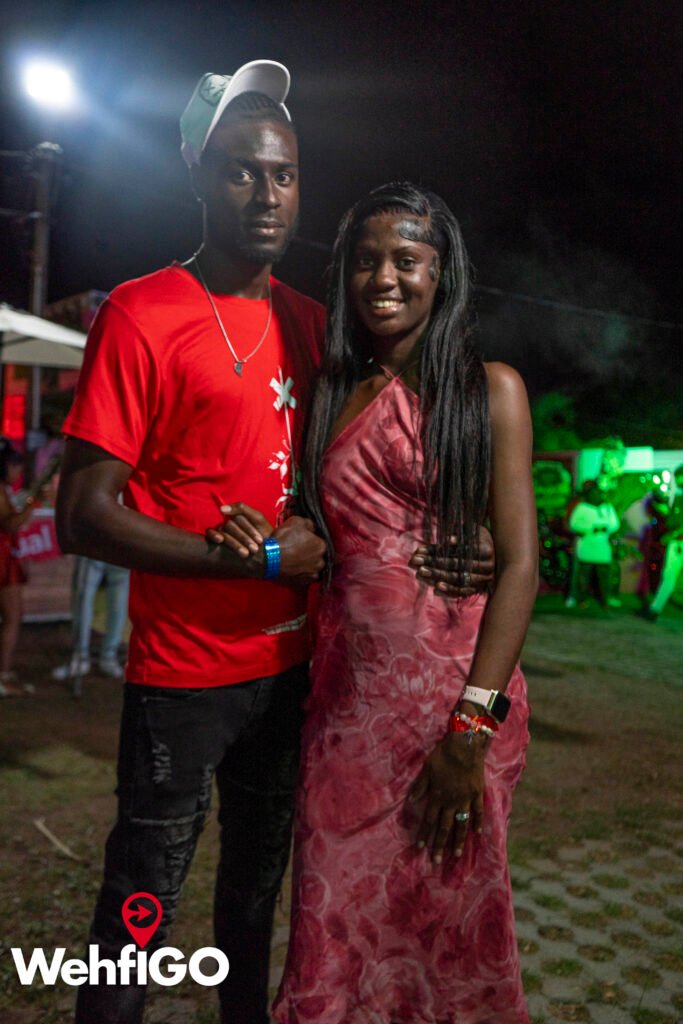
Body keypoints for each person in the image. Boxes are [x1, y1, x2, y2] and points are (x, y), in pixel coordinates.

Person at [56, 65, 491, 1024]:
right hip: (183, 676)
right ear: (197, 173)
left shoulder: (315, 327)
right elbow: (81, 513)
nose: (266, 194)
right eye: (242, 171)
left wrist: (472, 544)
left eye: (284, 175)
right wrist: (243, 560)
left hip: (297, 671)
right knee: (139, 909)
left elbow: (385, 461)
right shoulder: (141, 311)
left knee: (254, 908)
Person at [213, 183, 538, 1023]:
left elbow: (519, 567)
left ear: (441, 271)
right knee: (333, 924)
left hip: (453, 710)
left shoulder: (489, 391)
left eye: (405, 259)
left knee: (445, 928)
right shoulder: (331, 392)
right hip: (345, 712)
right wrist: (267, 542)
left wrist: (470, 730)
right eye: (364, 260)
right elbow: (318, 532)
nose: (382, 278)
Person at [52, 556, 130, 683]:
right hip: (92, 551)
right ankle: (81, 657)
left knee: (118, 602)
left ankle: (108, 655)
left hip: (120, 551)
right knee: (82, 598)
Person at [0, 440, 36, 697]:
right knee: (12, 617)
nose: (18, 471)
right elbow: (10, 524)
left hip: (7, 558)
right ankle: (2, 677)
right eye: (15, 466)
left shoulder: (5, 490)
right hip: (2, 561)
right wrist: (35, 503)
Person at [568, 481, 620, 608]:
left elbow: (615, 524)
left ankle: (606, 598)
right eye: (592, 493)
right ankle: (581, 599)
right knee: (583, 574)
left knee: (604, 575)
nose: (595, 495)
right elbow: (574, 524)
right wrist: (591, 527)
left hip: (602, 545)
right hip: (587, 544)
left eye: (597, 493)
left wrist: (605, 527)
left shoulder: (607, 508)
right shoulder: (582, 507)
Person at [643, 463, 683, 621]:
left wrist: (674, 533)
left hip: (676, 541)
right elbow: (671, 520)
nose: (678, 482)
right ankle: (655, 609)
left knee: (669, 577)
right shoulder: (678, 498)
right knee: (668, 577)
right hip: (676, 544)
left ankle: (655, 609)